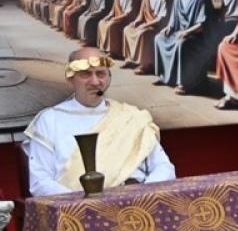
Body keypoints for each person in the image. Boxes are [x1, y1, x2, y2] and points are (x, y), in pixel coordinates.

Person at [23, 47, 176, 196]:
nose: (95, 82)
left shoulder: (132, 116)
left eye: (100, 74)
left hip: (139, 202)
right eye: (85, 74)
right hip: (78, 207)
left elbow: (164, 167)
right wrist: (81, 204)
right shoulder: (50, 120)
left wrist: (142, 193)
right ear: (70, 79)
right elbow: (40, 182)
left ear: (108, 78)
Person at [153, 0, 212, 93]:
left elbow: (202, 25)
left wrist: (187, 32)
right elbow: (173, 21)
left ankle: (183, 82)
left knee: (182, 44)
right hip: (179, 33)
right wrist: (169, 27)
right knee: (159, 38)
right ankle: (164, 76)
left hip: (195, 36)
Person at [121, 0, 173, 74]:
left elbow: (162, 18)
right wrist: (136, 22)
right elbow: (141, 14)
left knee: (143, 34)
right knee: (127, 29)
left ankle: (146, 65)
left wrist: (146, 25)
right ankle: (130, 59)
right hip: (146, 24)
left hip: (157, 27)